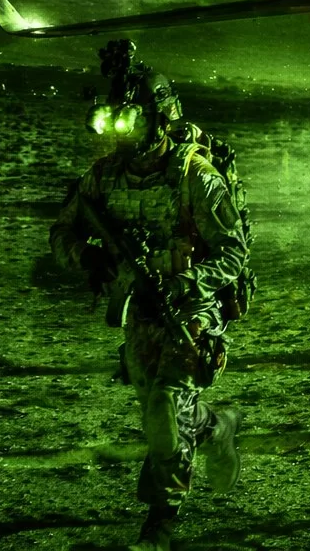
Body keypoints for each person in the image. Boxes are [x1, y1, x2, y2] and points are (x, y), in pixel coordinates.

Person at [50, 40, 249, 551]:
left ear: (160, 120)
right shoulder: (104, 177)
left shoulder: (195, 177)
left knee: (164, 410)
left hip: (191, 310)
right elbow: (63, 231)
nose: (123, 134)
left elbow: (233, 254)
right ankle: (217, 428)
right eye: (115, 123)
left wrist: (188, 283)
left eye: (132, 121)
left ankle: (161, 524)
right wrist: (86, 256)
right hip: (138, 312)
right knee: (164, 414)